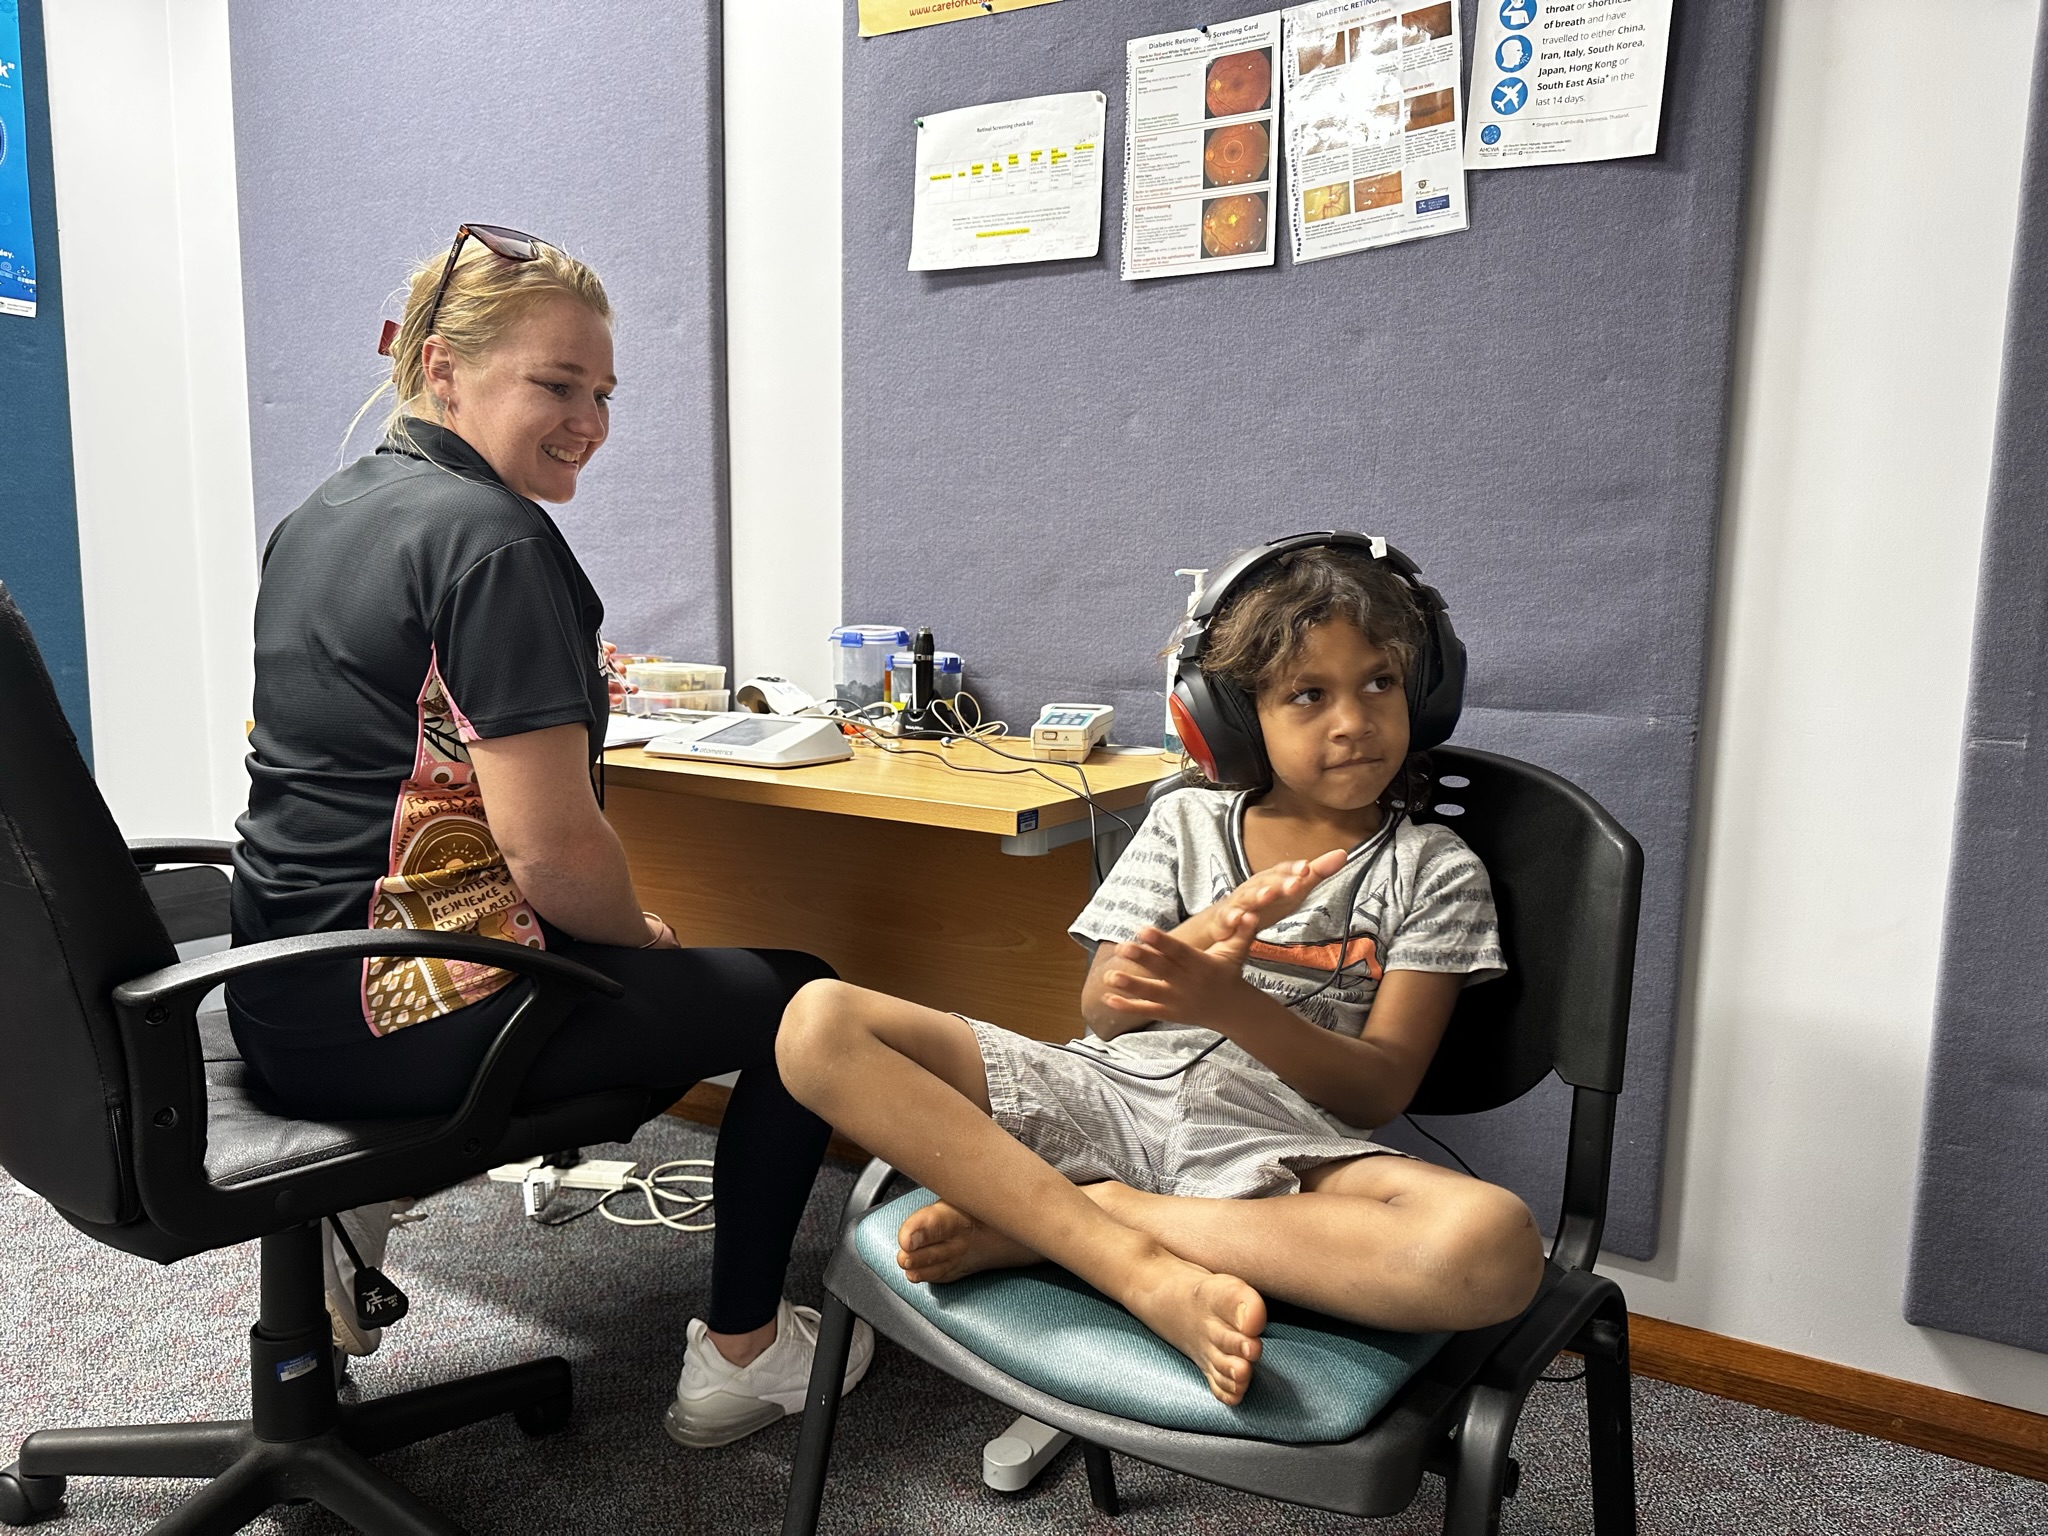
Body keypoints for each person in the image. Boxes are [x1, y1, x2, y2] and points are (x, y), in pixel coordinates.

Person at [228, 223, 869, 1447]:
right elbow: (551, 859)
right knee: (808, 1003)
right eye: (556, 385)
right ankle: (744, 1354)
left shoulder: (320, 515)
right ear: (440, 368)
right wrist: (640, 941)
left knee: (662, 973)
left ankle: (349, 1210)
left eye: (603, 391)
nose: (589, 419)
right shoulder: (498, 541)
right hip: (397, 1021)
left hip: (274, 993)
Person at [775, 541, 1545, 1404]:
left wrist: (1230, 1002)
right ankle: (1135, 1270)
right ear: (1236, 715)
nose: (1353, 721)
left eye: (1379, 683)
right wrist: (1199, 944)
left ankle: (1075, 1220)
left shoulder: (1434, 869)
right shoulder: (1181, 821)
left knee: (1493, 1247)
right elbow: (1103, 1013)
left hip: (1274, 1146)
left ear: (1423, 690)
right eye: (1308, 695)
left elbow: (1376, 1095)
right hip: (1103, 1089)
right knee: (818, 1021)